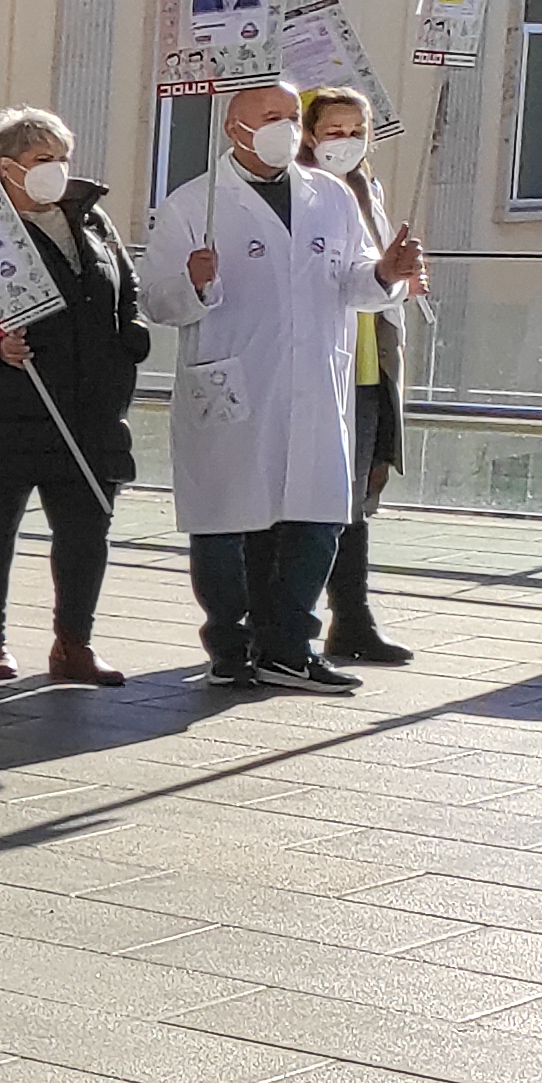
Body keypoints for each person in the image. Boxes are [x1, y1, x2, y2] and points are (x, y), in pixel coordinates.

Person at [145, 75, 422, 694]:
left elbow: (352, 280)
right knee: (225, 519)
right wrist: (192, 282)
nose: (284, 128)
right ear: (234, 127)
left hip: (318, 381)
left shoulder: (330, 196)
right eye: (268, 116)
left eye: (290, 116)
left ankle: (289, 648)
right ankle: (229, 645)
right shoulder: (193, 204)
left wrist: (387, 273)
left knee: (318, 517)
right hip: (232, 381)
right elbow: (157, 302)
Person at [0, 110, 146, 686]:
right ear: (6, 168)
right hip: (5, 407)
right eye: (42, 159)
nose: (57, 170)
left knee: (86, 524)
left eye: (60, 157)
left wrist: (131, 330)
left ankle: (75, 642)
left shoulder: (91, 220)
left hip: (89, 406)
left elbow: (123, 285)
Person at [302, 88, 415, 667]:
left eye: (355, 130)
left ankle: (353, 616)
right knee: (318, 493)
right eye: (332, 130)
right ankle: (292, 617)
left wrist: (396, 277)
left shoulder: (367, 189)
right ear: (309, 134)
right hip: (324, 358)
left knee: (359, 491)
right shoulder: (300, 191)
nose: (344, 141)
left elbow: (373, 270)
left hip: (371, 359)